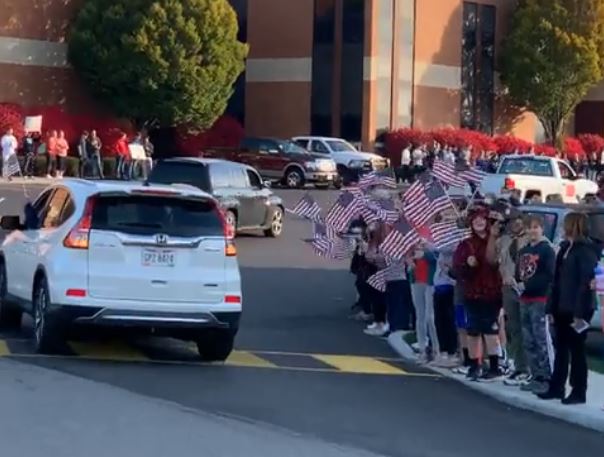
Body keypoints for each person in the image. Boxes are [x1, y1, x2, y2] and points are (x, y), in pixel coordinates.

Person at [539, 212, 599, 404]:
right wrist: (550, 308)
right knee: (561, 348)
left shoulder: (585, 251)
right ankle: (556, 386)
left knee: (577, 350)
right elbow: (555, 281)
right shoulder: (565, 248)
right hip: (561, 306)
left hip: (578, 307)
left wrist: (580, 314)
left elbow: (585, 283)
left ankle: (578, 390)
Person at [453, 207, 503, 381]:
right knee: (473, 330)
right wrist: (468, 265)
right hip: (473, 292)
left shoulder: (497, 241)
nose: (479, 223)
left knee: (491, 330)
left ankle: (495, 365)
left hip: (492, 292)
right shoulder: (466, 245)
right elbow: (457, 270)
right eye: (475, 221)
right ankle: (475, 365)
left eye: (482, 220)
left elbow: (500, 263)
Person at [516, 215, 556, 395]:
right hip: (524, 298)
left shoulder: (547, 250)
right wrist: (517, 283)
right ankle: (535, 374)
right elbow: (520, 273)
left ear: (542, 229)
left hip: (540, 299)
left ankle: (547, 377)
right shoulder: (523, 251)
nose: (533, 230)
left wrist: (529, 285)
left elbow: (549, 275)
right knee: (528, 339)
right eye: (530, 227)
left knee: (541, 339)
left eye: (536, 227)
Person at [499, 210, 530, 386]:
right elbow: (498, 262)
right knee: (513, 328)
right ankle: (519, 366)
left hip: (525, 289)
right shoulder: (503, 241)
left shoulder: (532, 240)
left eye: (519, 220)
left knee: (529, 329)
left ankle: (529, 369)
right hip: (508, 289)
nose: (516, 223)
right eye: (512, 220)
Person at [408, 241, 440, 363]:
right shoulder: (410, 233)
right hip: (416, 279)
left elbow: (438, 257)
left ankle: (437, 349)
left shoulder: (435, 234)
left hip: (430, 281)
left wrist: (426, 252)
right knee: (419, 316)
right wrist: (409, 259)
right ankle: (423, 349)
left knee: (430, 317)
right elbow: (406, 252)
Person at [363, 223, 389, 336]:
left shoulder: (386, 233)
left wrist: (373, 257)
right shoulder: (374, 234)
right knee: (374, 294)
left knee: (380, 296)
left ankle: (382, 321)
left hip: (383, 269)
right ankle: (378, 320)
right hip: (373, 267)